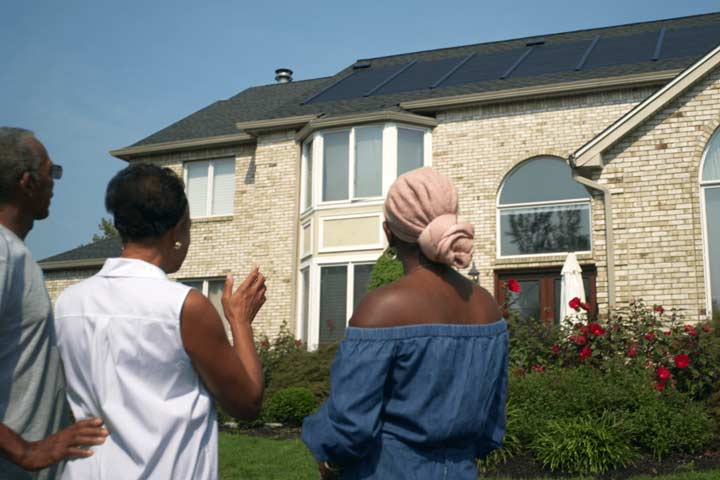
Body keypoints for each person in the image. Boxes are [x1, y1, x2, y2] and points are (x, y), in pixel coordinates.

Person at [53, 163, 266, 479]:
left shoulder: (68, 303)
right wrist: (240, 321)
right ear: (177, 230)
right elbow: (246, 403)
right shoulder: (184, 306)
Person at [302, 167, 509, 480]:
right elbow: (492, 420)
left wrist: (331, 462)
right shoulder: (487, 306)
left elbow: (351, 425)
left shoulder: (382, 308)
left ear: (388, 233)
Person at [0, 127, 108, 479]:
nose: (55, 183)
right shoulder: (3, 256)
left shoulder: (16, 253)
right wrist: (25, 450)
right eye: (52, 172)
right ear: (28, 182)